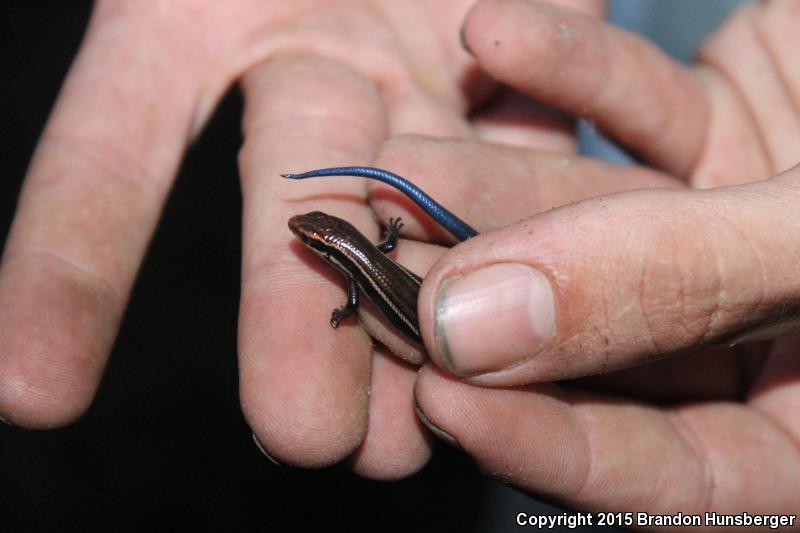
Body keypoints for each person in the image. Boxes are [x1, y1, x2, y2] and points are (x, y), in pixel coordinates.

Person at [1, 0, 797, 521]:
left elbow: (358, 291)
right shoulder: (359, 257)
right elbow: (370, 259)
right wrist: (376, 257)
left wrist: (351, 303)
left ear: (324, 249)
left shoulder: (350, 275)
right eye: (316, 239)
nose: (308, 242)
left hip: (439, 312)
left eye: (313, 240)